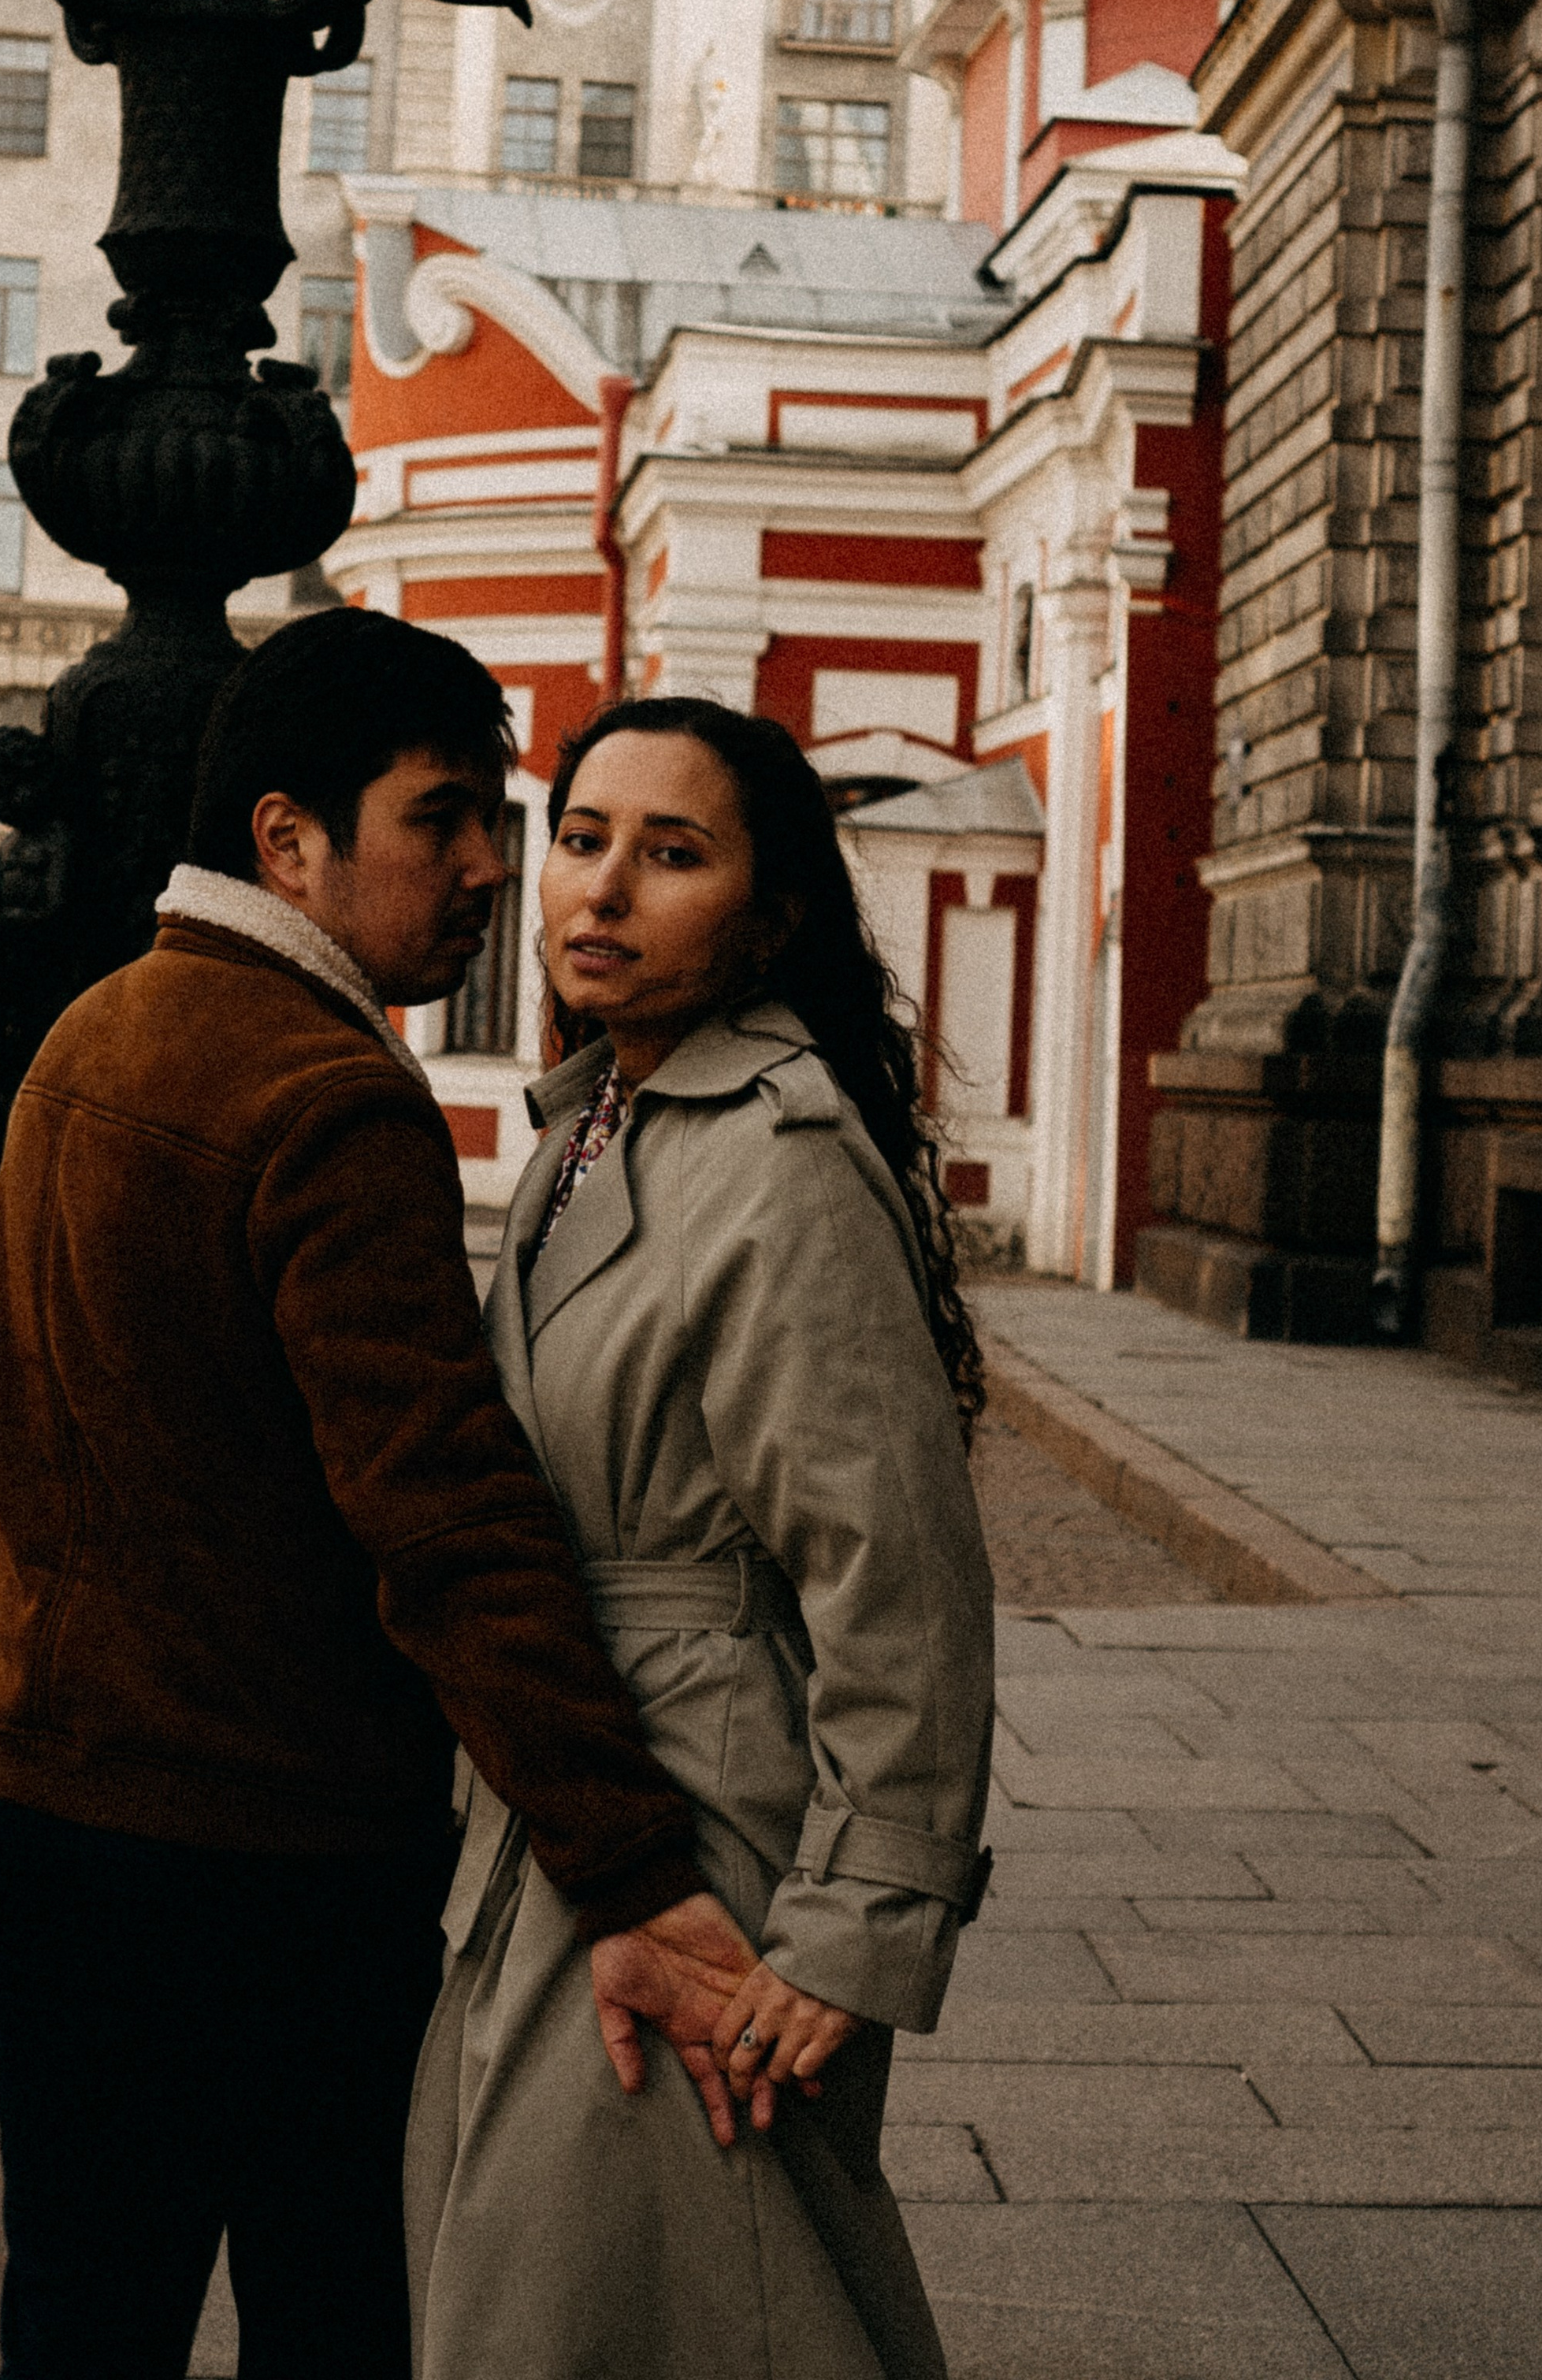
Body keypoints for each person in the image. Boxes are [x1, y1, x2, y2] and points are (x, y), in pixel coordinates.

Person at [0, 612, 764, 2380]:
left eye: (495, 817)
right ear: (284, 839)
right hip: (266, 1868)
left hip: (42, 1814)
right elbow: (444, 1518)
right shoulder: (327, 1095)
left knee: (81, 2319)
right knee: (340, 2318)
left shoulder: (97, 1031)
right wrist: (629, 1862)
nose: (491, 866)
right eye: (437, 819)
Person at [407, 696, 998, 2380]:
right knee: (608, 2297)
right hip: (565, 1791)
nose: (599, 891)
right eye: (581, 840)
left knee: (687, 2292)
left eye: (671, 856)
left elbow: (893, 1570)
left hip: (710, 1816)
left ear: (768, 912)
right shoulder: (596, 1120)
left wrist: (864, 1915)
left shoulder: (778, 1156)